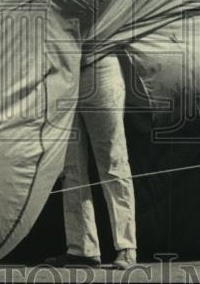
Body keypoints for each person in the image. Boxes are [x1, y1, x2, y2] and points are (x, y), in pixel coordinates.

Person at [47, 53, 137, 270]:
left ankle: (127, 247)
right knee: (70, 167)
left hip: (98, 65)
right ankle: (82, 250)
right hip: (62, 73)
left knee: (113, 161)